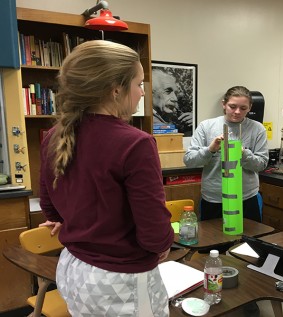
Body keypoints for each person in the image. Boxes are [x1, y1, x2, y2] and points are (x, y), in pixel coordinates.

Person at [39, 40, 174, 316]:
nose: (141, 94)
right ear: (115, 89)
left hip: (74, 270)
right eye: (138, 84)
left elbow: (50, 207)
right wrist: (163, 243)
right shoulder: (136, 143)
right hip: (120, 280)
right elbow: (154, 234)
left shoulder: (54, 136)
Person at [184, 85, 268, 222]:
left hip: (245, 198)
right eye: (232, 106)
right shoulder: (206, 126)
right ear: (224, 104)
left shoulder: (257, 129)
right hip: (214, 199)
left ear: (250, 107)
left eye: (243, 108)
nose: (237, 112)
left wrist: (244, 154)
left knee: (248, 241)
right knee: (214, 242)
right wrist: (210, 149)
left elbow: (262, 164)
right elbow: (189, 160)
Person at [152, 69, 193, 136]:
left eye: (175, 93)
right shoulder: (152, 122)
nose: (175, 99)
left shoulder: (162, 116)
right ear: (151, 93)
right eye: (168, 91)